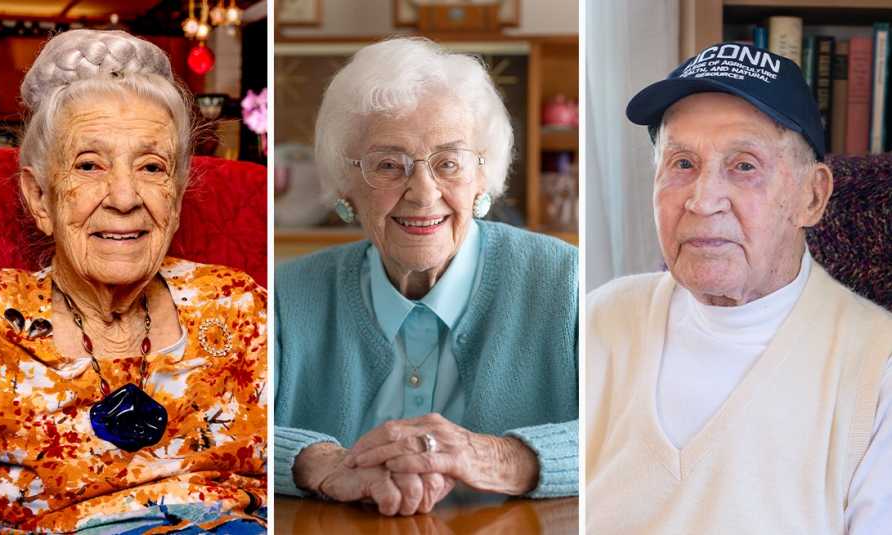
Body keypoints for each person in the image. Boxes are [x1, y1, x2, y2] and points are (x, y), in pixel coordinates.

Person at [0, 30, 267, 533]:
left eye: (152, 166)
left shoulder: (238, 307)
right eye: (89, 164)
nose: (124, 196)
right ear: (40, 199)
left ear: (176, 194)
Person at [587, 42, 892, 534]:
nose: (703, 201)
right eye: (681, 163)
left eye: (744, 166)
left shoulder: (878, 373)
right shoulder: (602, 320)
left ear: (812, 197)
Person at [274, 37, 578, 516]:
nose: (422, 193)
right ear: (346, 185)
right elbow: (227, 432)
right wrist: (320, 463)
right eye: (388, 165)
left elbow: (627, 431)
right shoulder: (287, 298)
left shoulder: (565, 282)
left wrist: (502, 457)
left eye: (448, 163)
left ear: (483, 176)